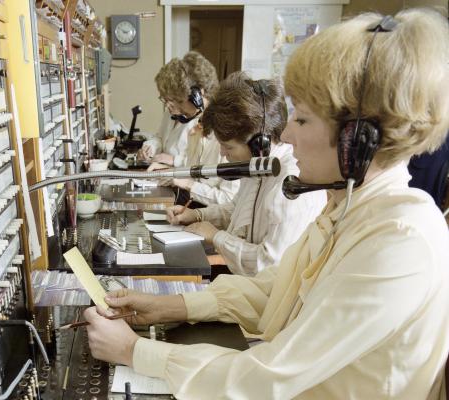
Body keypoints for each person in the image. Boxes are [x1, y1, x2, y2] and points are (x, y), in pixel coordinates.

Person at [83, 9, 449, 399]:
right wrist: (170, 306)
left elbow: (271, 376)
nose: (286, 134)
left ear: (356, 141)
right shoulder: (348, 210)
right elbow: (275, 291)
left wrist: (135, 351)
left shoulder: (399, 240)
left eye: (303, 120)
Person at [167, 73, 326, 276]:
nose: (223, 154)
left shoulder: (290, 186)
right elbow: (237, 209)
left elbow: (268, 265)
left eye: (228, 147)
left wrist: (216, 237)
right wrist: (197, 215)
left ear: (259, 143)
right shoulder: (258, 165)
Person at [141, 51, 239, 206]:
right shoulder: (199, 126)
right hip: (196, 208)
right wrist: (170, 173)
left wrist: (185, 182)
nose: (175, 109)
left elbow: (228, 200)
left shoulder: (228, 132)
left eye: (179, 101)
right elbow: (193, 172)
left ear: (198, 95)